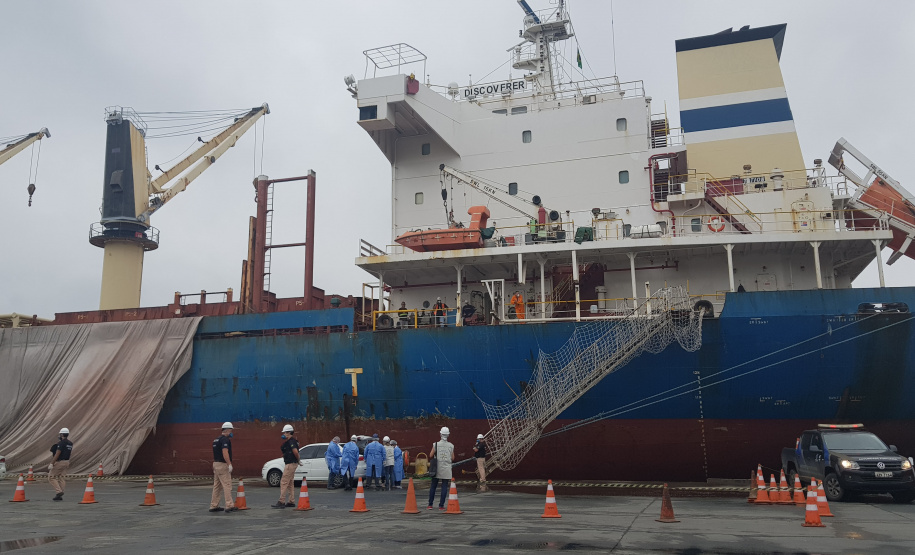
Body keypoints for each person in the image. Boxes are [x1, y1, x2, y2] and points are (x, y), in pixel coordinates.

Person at [210, 422, 237, 513]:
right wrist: (229, 464)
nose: (232, 432)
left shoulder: (216, 440)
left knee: (217, 486)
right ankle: (229, 505)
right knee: (227, 485)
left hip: (216, 464)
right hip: (222, 464)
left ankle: (214, 505)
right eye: (231, 430)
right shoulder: (225, 440)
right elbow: (225, 452)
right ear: (228, 430)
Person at [273, 424, 300, 508]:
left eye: (285, 432)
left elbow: (295, 452)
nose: (283, 434)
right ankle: (291, 501)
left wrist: (298, 459)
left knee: (284, 482)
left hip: (290, 464)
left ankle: (281, 501)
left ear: (289, 433)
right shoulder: (290, 442)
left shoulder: (291, 442)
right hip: (292, 463)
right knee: (290, 483)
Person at [427, 426, 454, 510]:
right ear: (448, 435)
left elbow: (430, 455)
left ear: (440, 434)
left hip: (436, 468)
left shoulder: (435, 444)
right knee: (444, 486)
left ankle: (430, 505)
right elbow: (453, 458)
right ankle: (441, 506)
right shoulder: (451, 445)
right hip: (446, 468)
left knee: (433, 486)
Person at [48, 427, 73, 501]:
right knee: (61, 478)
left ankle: (59, 491)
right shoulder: (70, 443)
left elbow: (57, 453)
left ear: (62, 434)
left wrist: (52, 463)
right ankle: (59, 495)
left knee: (51, 477)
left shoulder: (61, 443)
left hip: (60, 462)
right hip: (67, 462)